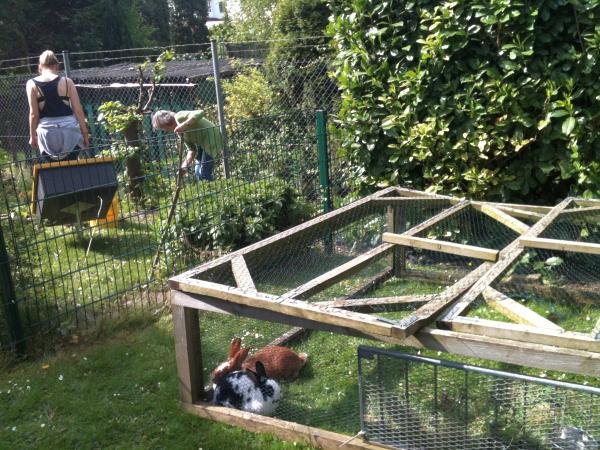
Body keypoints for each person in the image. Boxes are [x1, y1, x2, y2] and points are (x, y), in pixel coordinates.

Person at [26, 50, 89, 163]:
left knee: (54, 170)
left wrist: (32, 136)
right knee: (72, 166)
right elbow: (78, 111)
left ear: (40, 67)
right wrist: (85, 134)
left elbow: (34, 115)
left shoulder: (31, 84)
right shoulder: (67, 82)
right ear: (57, 66)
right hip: (70, 132)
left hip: (47, 134)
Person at [151, 110, 223, 181]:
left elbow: (200, 112)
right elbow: (192, 150)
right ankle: (208, 186)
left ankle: (211, 187)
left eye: (163, 127)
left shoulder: (179, 116)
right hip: (203, 144)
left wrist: (184, 125)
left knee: (204, 173)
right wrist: (184, 166)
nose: (165, 130)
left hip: (212, 138)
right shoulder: (180, 133)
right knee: (197, 172)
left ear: (167, 122)